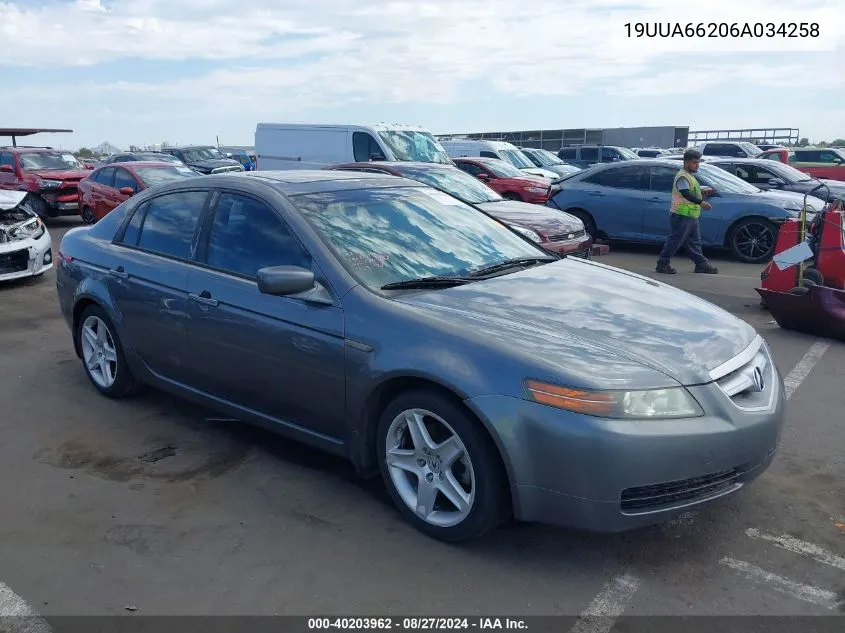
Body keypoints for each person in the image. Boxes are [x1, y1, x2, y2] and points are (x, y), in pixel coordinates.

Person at [655, 149, 719, 275]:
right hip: (681, 214)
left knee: (694, 241)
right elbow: (685, 193)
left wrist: (701, 193)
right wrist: (701, 202)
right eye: (694, 162)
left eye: (698, 162)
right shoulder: (683, 176)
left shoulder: (689, 176)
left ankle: (701, 264)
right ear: (686, 162)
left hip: (690, 215)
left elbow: (690, 192)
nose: (697, 165)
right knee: (676, 240)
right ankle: (662, 264)